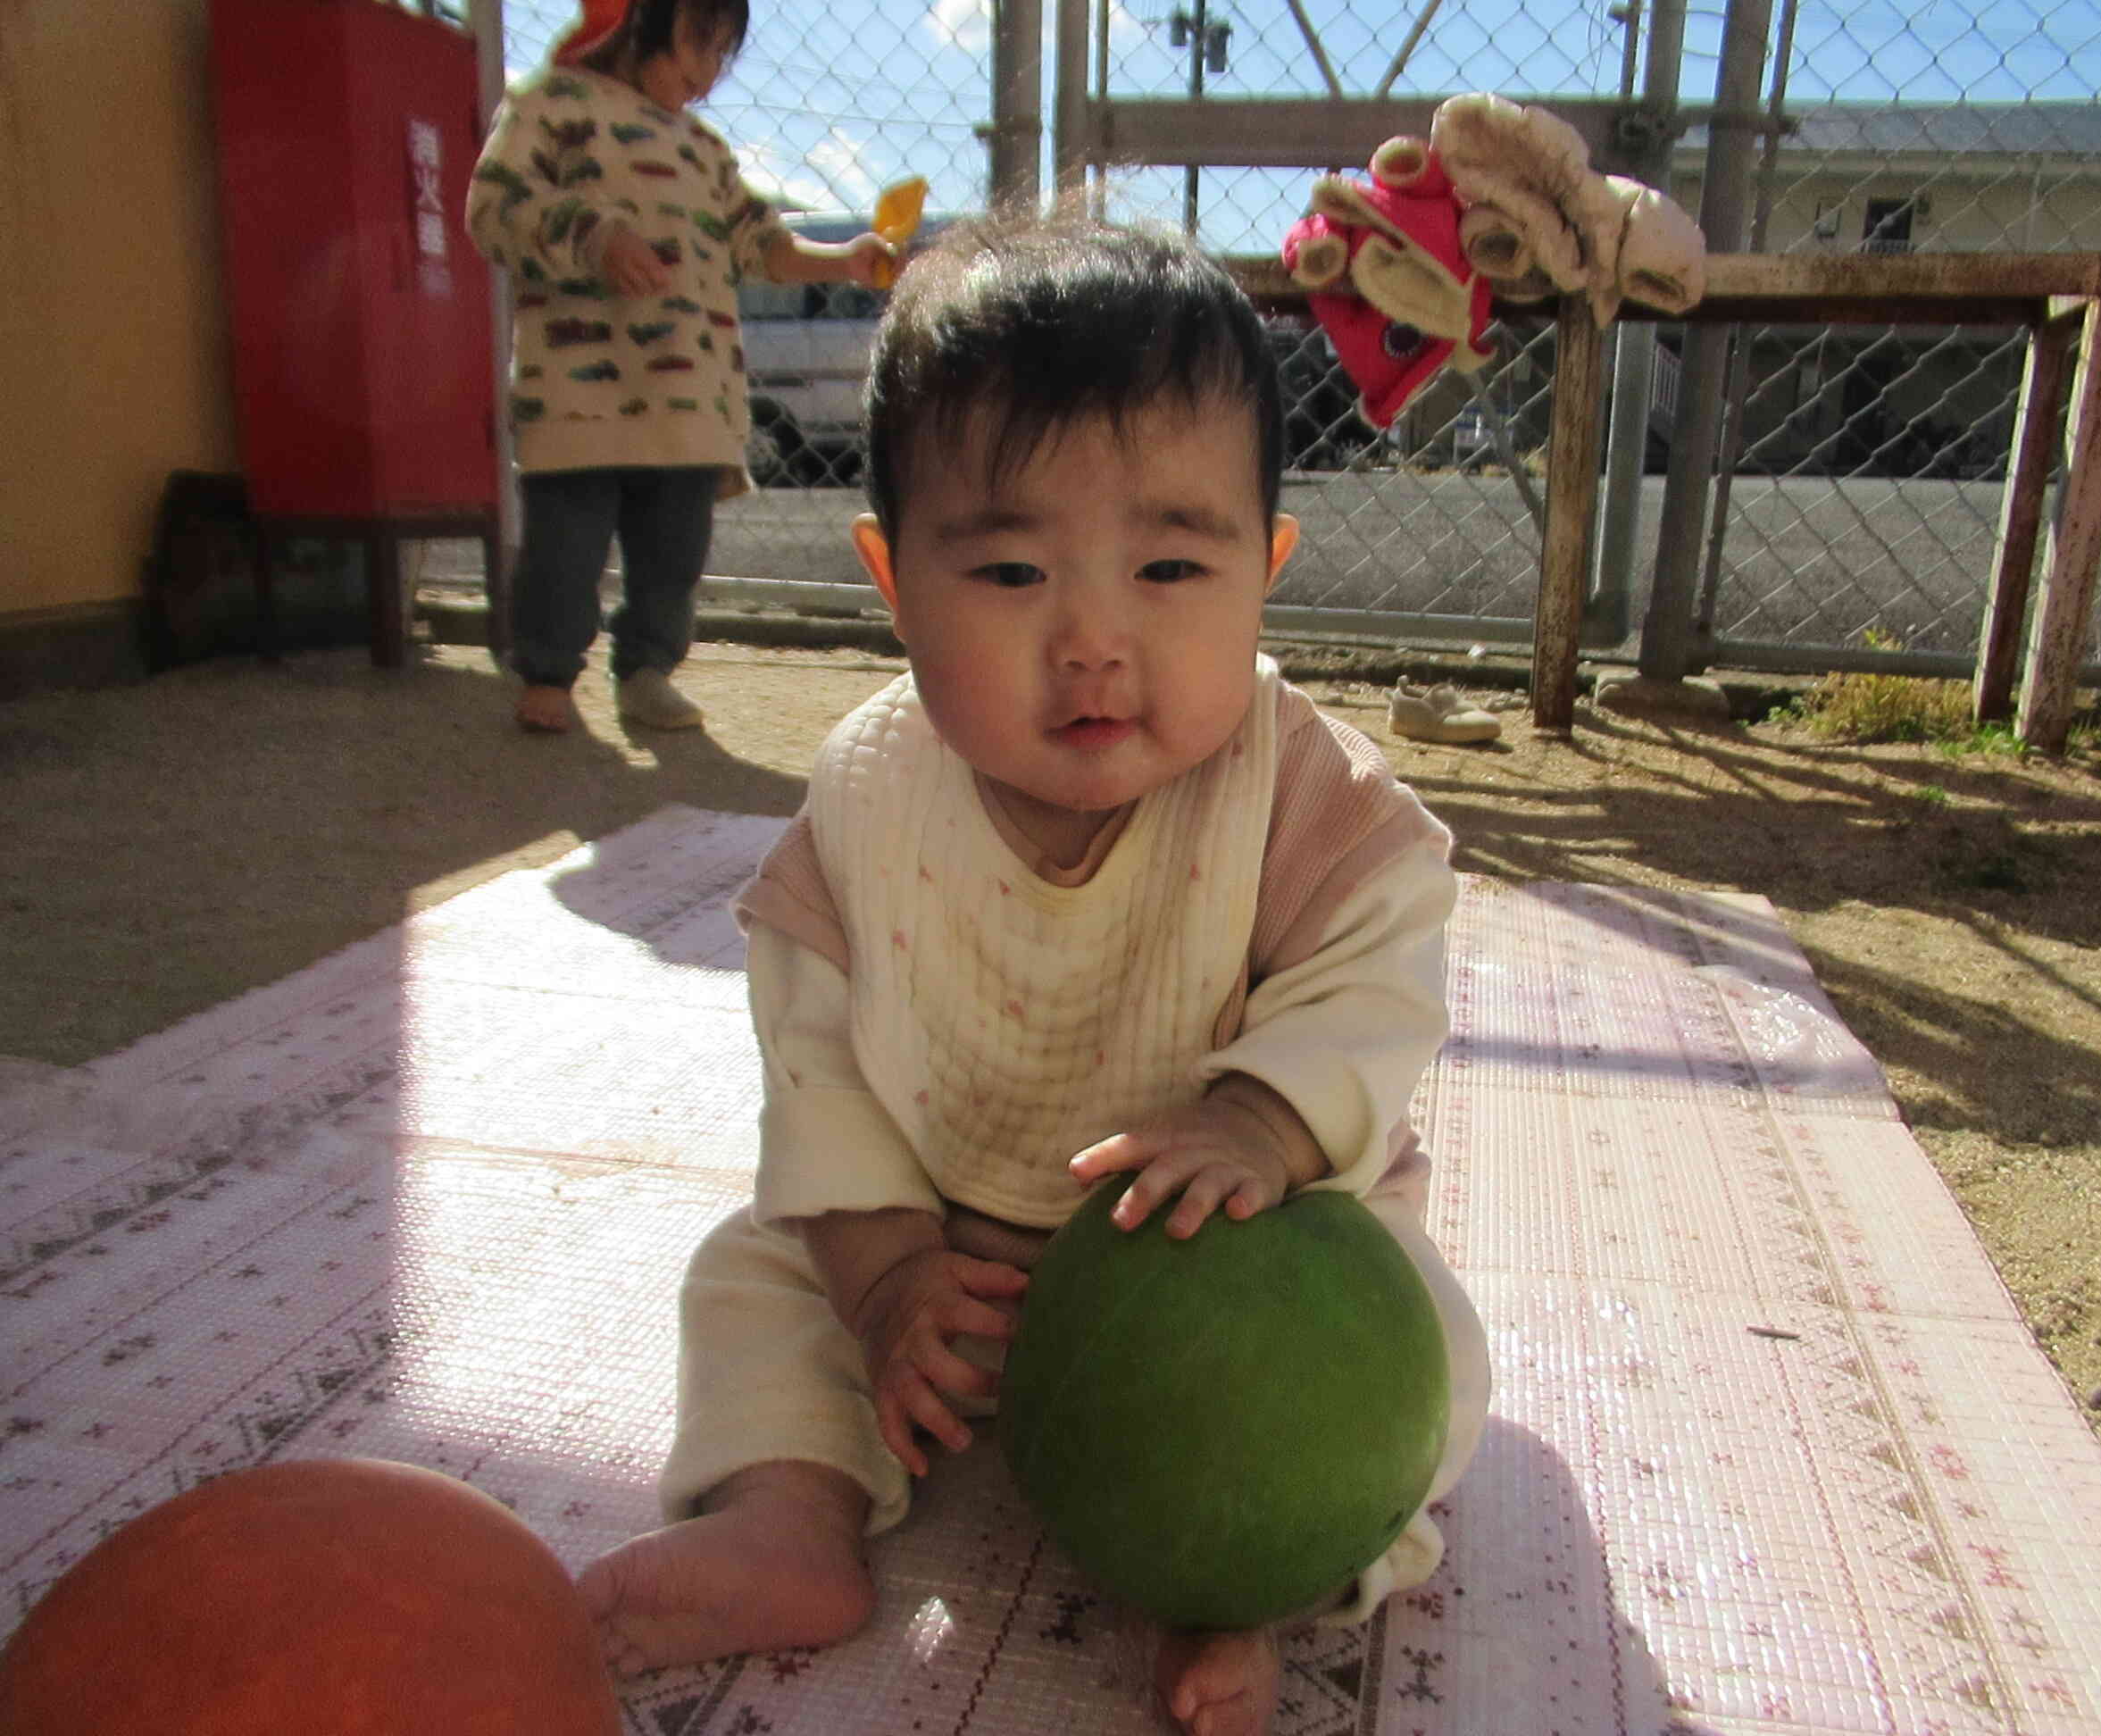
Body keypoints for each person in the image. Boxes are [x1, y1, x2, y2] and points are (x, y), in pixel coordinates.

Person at [577, 208, 1492, 1736]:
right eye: (1007, 568)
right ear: (891, 578)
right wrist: (879, 1282)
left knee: (1418, 1359)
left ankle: (1240, 1585)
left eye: (1166, 565)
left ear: (1262, 570)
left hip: (1228, 1257)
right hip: (948, 1253)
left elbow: (1378, 964)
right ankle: (787, 1512)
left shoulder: (1295, 791)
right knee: (752, 1271)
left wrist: (1265, 1122)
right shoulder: (869, 797)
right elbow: (818, 1059)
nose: (1090, 640)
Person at [464, 0, 890, 735]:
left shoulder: (703, 149)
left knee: (673, 552)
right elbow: (495, 204)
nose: (708, 70)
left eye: (724, 54)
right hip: (580, 390)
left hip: (689, 394)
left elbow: (759, 241)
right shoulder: (555, 103)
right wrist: (593, 237)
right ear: (641, 20)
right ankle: (549, 670)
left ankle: (647, 669)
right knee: (565, 542)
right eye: (700, 42)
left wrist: (844, 260)